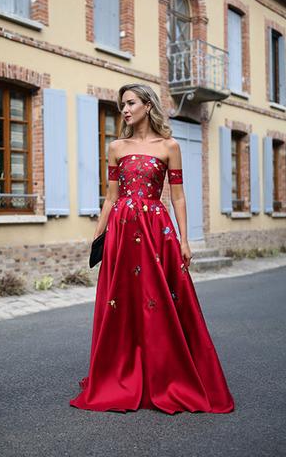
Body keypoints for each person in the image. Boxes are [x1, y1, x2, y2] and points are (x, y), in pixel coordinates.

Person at [69, 83, 235, 414]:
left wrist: (184, 239)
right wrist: (97, 236)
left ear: (148, 105)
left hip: (156, 231)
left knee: (161, 300)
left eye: (130, 103)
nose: (125, 110)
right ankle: (121, 370)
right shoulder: (116, 147)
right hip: (121, 230)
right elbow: (111, 197)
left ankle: (165, 372)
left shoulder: (169, 146)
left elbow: (177, 196)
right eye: (122, 106)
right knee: (123, 301)